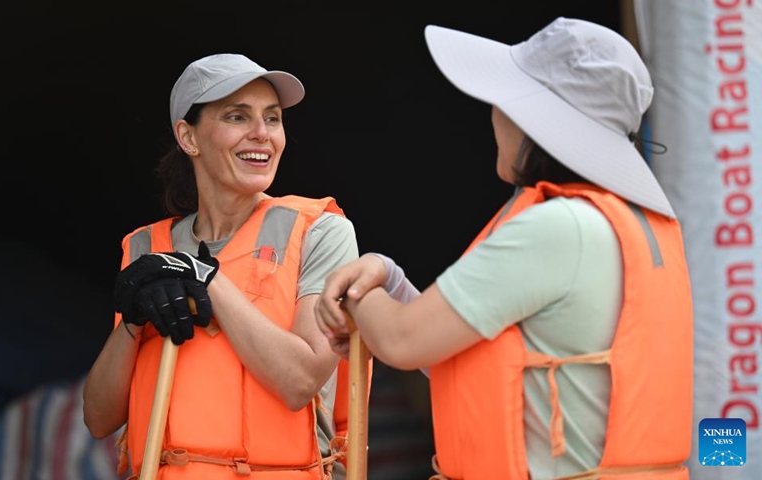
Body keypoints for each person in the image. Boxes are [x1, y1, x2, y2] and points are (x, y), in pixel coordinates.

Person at [314, 17, 694, 480]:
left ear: (534, 118)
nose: (493, 113)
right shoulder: (629, 225)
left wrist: (355, 294)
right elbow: (443, 346)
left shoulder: (558, 227)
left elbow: (402, 340)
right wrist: (389, 281)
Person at [83, 53, 363, 480]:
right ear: (188, 137)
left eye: (272, 118)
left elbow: (300, 380)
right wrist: (132, 324)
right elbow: (99, 419)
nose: (262, 134)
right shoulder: (145, 248)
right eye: (237, 116)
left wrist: (204, 280)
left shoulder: (320, 231)